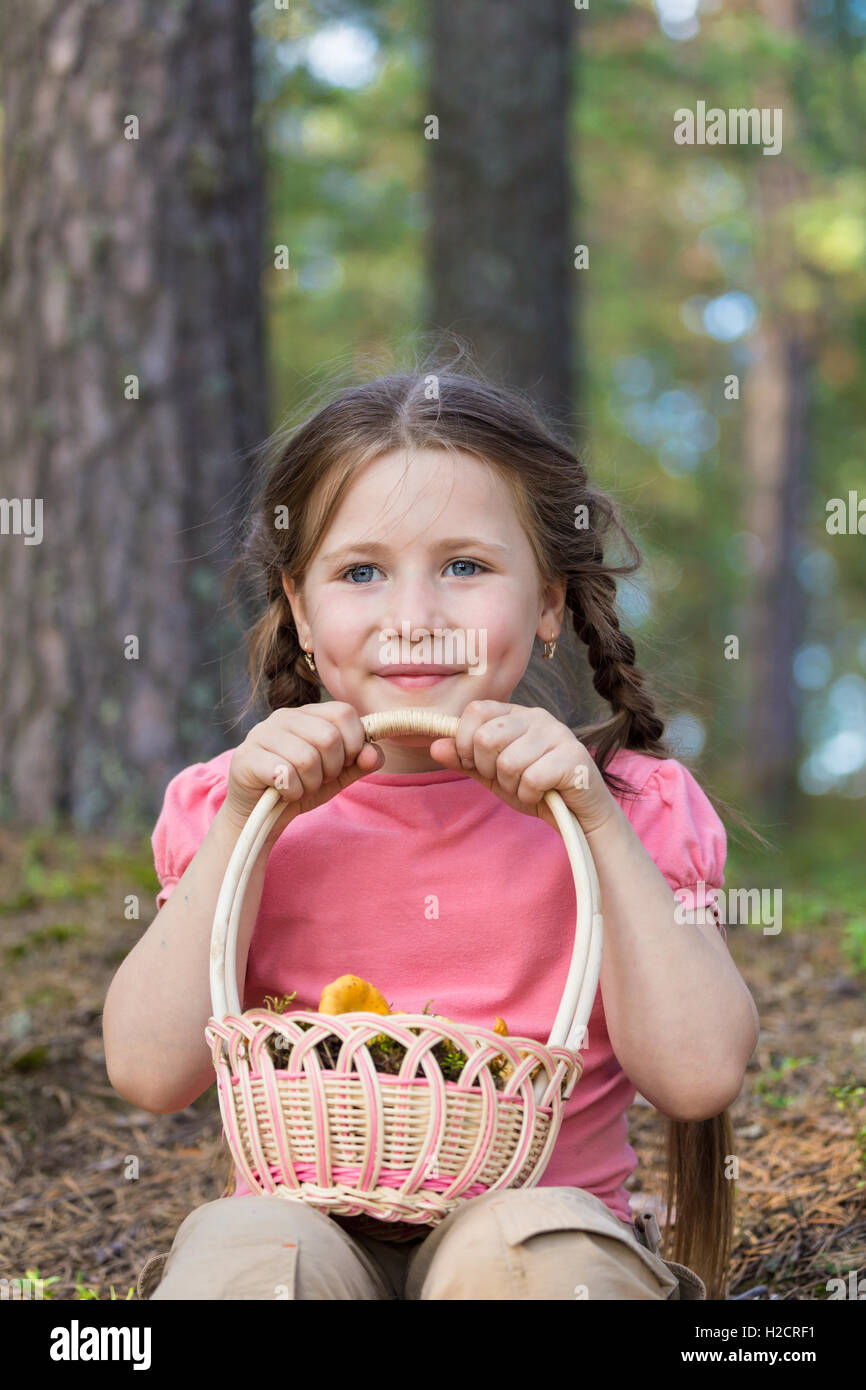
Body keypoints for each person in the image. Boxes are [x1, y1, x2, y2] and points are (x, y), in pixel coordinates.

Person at [104, 356, 763, 1300]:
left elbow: (699, 1076)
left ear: (547, 602)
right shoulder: (235, 808)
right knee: (247, 1253)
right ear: (298, 605)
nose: (414, 619)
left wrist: (594, 820)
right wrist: (250, 819)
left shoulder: (628, 804)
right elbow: (147, 1070)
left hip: (540, 1227)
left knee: (534, 1251)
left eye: (465, 567)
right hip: (306, 1230)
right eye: (361, 572)